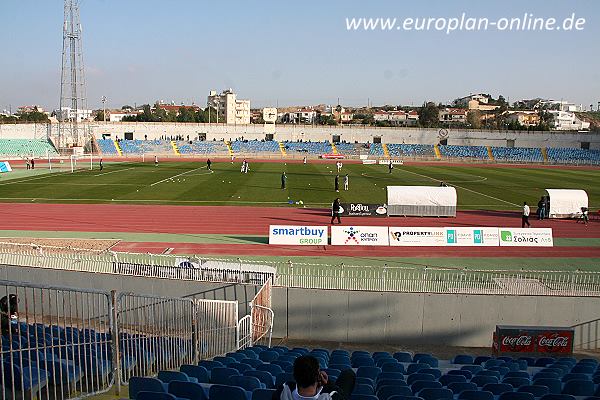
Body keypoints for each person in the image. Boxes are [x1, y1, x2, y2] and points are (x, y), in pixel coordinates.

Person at [273, 354, 356, 400]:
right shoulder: (331, 396)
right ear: (318, 376)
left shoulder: (283, 391)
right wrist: (328, 384)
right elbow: (341, 396)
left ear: (295, 376)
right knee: (348, 374)